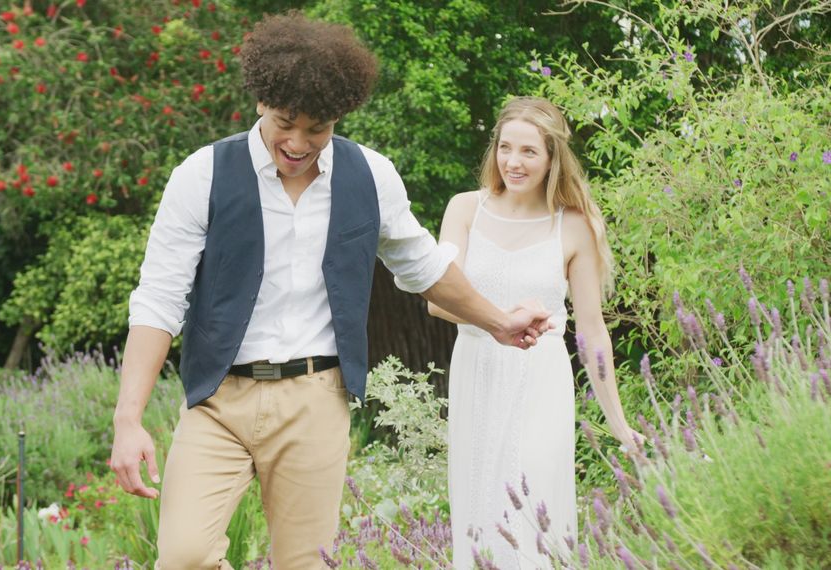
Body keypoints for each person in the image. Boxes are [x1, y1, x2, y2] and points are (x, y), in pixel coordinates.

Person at [109, 13, 552, 570]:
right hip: (219, 401)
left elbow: (423, 266)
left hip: (317, 398)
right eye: (284, 123)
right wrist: (129, 420)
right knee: (184, 556)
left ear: (339, 117)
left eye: (316, 129)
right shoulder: (202, 175)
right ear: (260, 105)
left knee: (306, 563)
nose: (297, 143)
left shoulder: (371, 176)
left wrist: (497, 321)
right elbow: (158, 300)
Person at [429, 96, 641, 568]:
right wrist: (504, 317)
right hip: (477, 373)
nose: (514, 162)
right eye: (506, 148)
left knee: (532, 509)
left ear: (551, 158)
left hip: (540, 382)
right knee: (481, 510)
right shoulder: (465, 209)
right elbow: (437, 297)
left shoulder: (575, 227)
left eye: (529, 152)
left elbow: (592, 332)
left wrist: (619, 426)